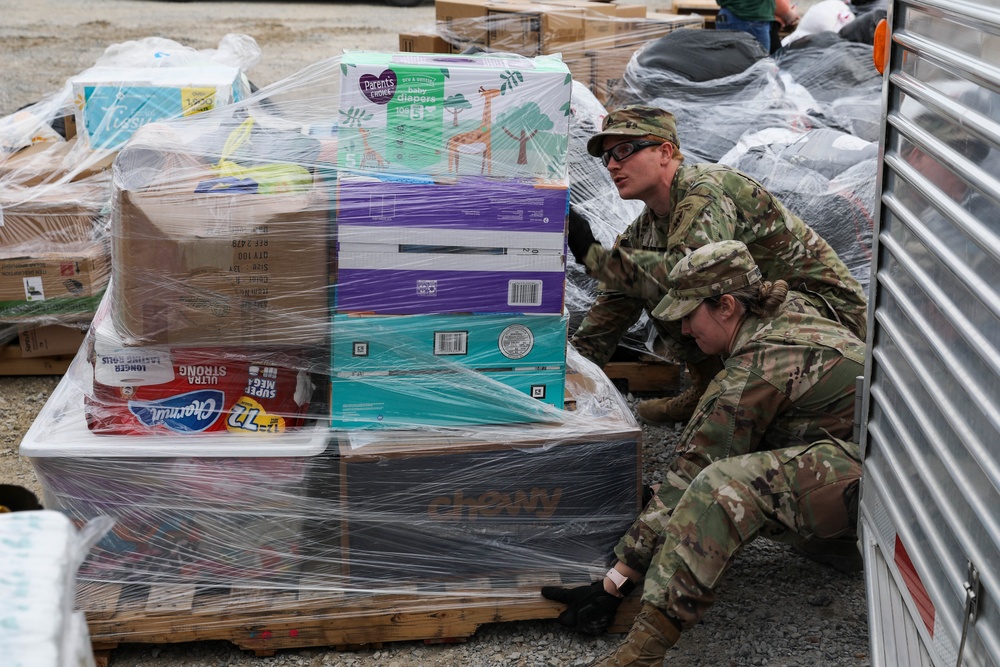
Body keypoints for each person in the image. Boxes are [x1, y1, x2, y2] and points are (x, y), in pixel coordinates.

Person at [543, 240, 866, 666]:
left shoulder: (758, 367)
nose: (686, 332)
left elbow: (697, 470)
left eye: (690, 317)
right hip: (870, 466)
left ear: (727, 306)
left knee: (717, 489)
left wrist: (616, 582)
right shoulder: (787, 312)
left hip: (878, 490)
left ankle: (641, 654)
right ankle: (837, 544)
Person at [569, 105, 868, 425]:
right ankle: (709, 386)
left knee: (675, 283)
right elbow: (614, 304)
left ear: (665, 152)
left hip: (826, 319)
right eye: (607, 157)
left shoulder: (708, 188)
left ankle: (751, 410)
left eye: (624, 150)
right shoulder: (644, 231)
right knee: (639, 278)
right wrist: (570, 377)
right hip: (773, 319)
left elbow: (691, 275)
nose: (612, 165)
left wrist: (592, 255)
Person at [716, 0, 800, 53]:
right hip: (751, 20)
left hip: (727, 15)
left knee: (729, 68)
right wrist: (789, 15)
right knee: (760, 70)